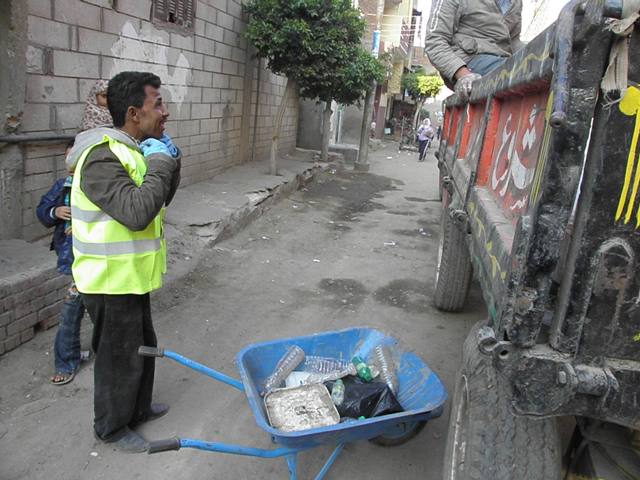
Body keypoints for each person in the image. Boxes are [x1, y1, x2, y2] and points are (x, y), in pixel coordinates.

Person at [66, 71, 181, 453]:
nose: (165, 112)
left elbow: (159, 200)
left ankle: (138, 410)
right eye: (157, 104)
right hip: (107, 281)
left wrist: (170, 163)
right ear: (133, 112)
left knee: (143, 345)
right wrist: (161, 162)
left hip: (130, 276)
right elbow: (137, 212)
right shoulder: (99, 156)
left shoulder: (132, 149)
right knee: (119, 358)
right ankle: (111, 429)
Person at [36, 141, 90, 386]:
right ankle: (66, 361)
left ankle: (87, 354)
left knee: (97, 309)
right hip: (74, 261)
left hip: (96, 260)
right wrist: (55, 211)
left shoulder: (96, 184)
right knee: (72, 309)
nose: (71, 164)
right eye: (67, 159)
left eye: (75, 159)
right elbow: (42, 210)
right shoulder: (62, 186)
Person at [425, 0, 523, 99]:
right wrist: (463, 74)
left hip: (503, 60)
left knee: (531, 67)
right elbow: (435, 41)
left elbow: (513, 41)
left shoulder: (515, 2)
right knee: (518, 72)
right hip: (469, 60)